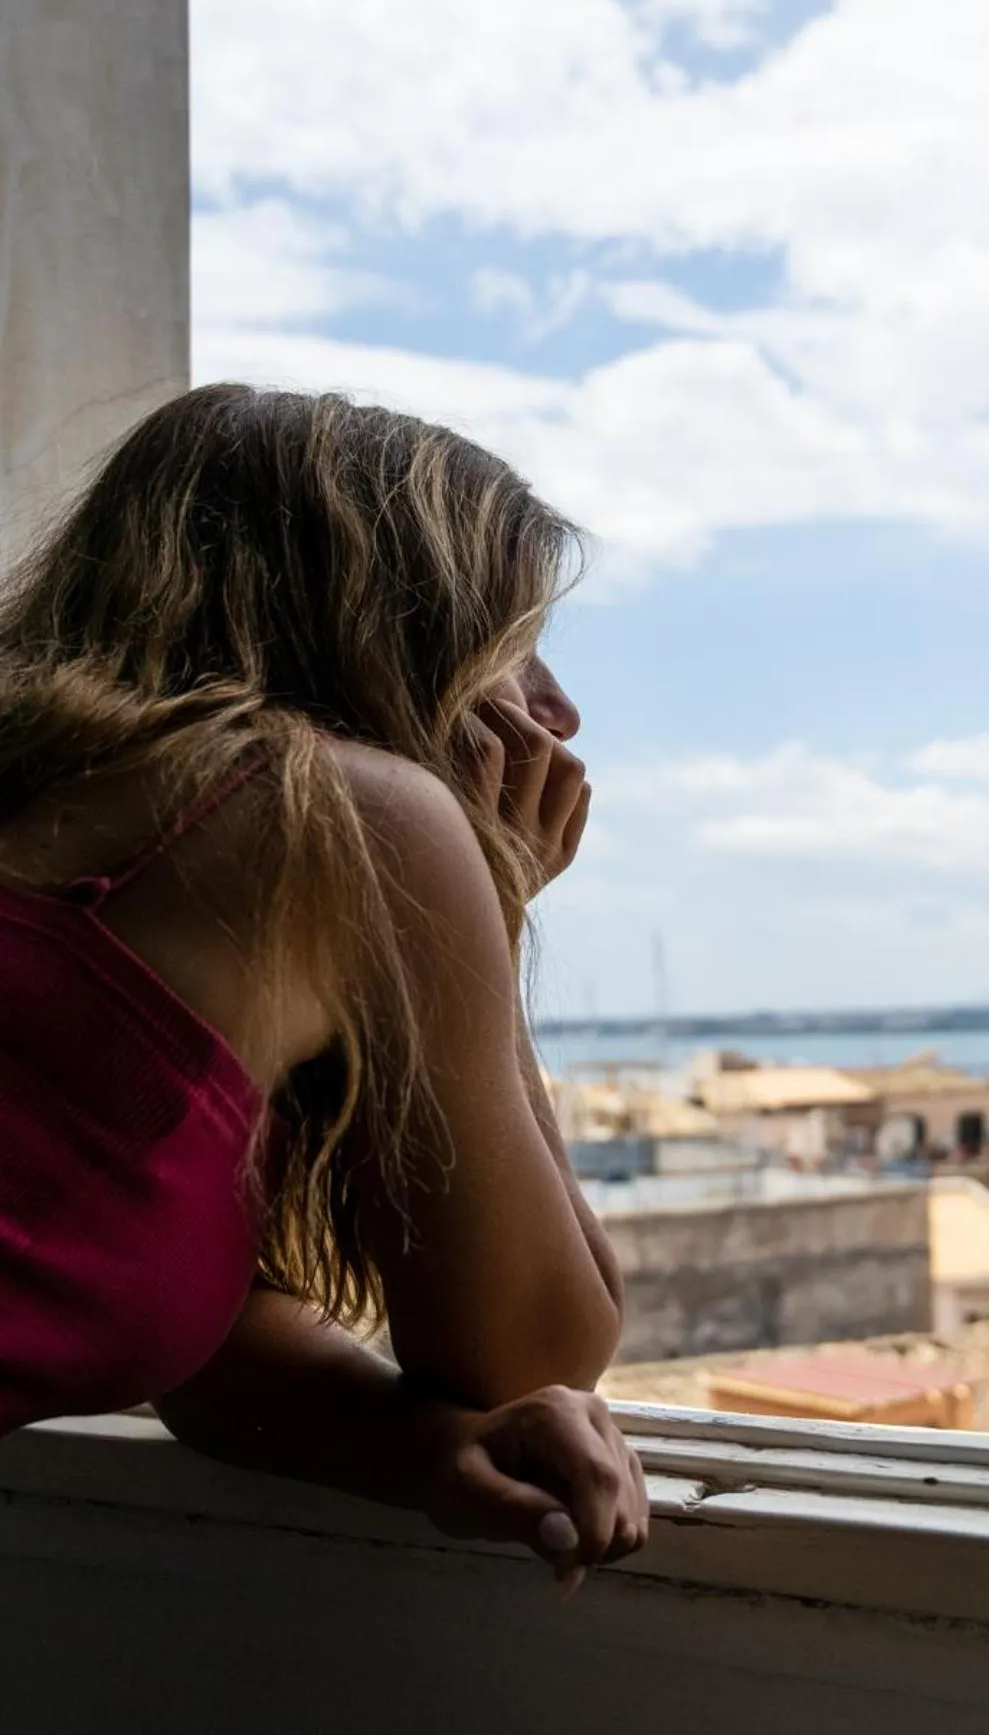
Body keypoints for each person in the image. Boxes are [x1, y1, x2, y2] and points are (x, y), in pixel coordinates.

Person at [0, 383, 647, 1591]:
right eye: (514, 645)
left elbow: (177, 1320)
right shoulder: (332, 814)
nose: (559, 710)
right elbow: (535, 1352)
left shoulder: (66, 802)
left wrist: (421, 1454)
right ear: (382, 627)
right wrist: (489, 912)